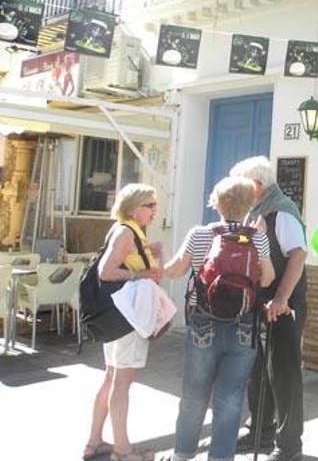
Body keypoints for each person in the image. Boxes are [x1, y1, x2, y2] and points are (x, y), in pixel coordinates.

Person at [162, 176, 275, 461]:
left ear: (217, 203)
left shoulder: (200, 234)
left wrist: (161, 258)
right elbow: (269, 277)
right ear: (250, 203)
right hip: (243, 325)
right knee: (231, 397)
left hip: (204, 321)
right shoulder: (257, 238)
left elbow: (174, 271)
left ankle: (182, 454)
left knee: (194, 394)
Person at [231, 156, 308, 461]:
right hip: (259, 303)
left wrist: (282, 298)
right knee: (258, 371)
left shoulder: (281, 212)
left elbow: (298, 255)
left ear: (258, 185)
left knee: (284, 372)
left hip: (283, 306)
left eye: (242, 185)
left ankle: (289, 446)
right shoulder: (257, 212)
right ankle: (260, 431)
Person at [84, 183, 163, 461]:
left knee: (111, 378)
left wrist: (151, 254)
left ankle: (94, 442)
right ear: (133, 208)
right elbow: (106, 272)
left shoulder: (125, 229)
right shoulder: (127, 233)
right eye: (149, 205)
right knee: (121, 383)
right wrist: (139, 276)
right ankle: (123, 450)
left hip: (117, 317)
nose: (155, 211)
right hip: (127, 318)